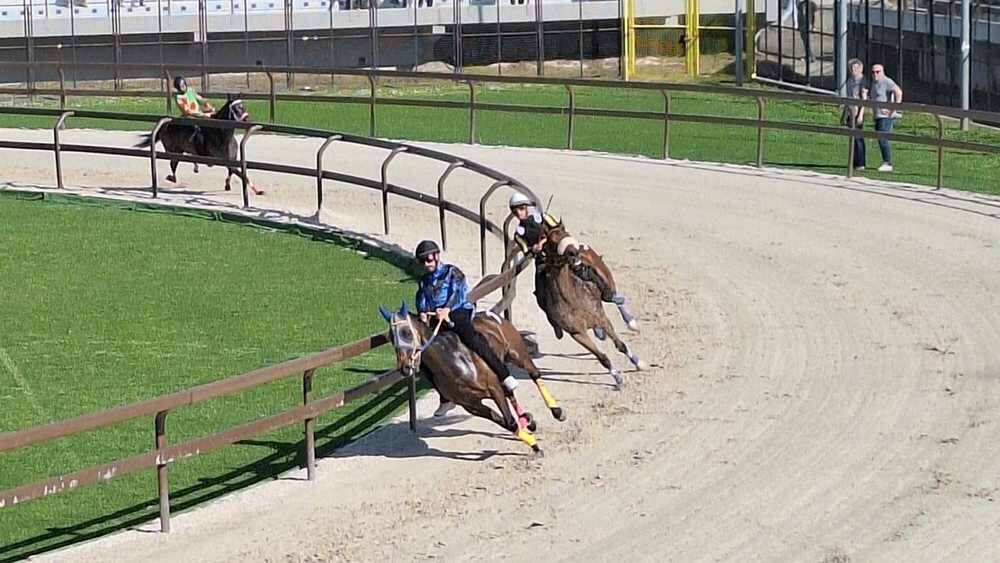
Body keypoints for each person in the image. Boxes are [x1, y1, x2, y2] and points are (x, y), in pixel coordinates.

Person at [413, 240, 517, 417]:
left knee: (472, 338)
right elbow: (422, 298)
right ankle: (445, 398)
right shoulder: (424, 281)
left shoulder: (452, 272)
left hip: (457, 311)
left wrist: (447, 309)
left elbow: (458, 292)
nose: (426, 264)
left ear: (436, 256)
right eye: (422, 261)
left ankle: (503, 374)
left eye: (428, 259)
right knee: (424, 357)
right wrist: (423, 313)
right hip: (436, 317)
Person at [506, 193, 625, 334]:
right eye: (516, 211)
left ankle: (608, 292)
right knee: (541, 293)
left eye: (521, 209)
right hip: (544, 260)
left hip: (559, 252)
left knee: (584, 268)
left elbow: (558, 230)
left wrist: (544, 240)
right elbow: (526, 250)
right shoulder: (518, 234)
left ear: (526, 208)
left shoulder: (543, 217)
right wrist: (534, 248)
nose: (519, 213)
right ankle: (555, 321)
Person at [870, 64, 903, 173]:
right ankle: (886, 162)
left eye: (878, 72)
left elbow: (898, 92)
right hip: (878, 115)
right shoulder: (874, 83)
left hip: (885, 116)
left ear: (883, 72)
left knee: (883, 138)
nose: (875, 74)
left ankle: (888, 163)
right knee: (880, 138)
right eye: (873, 72)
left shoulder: (886, 81)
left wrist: (893, 110)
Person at [173, 75, 215, 159]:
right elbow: (188, 111)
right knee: (197, 127)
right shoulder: (178, 97)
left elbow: (200, 99)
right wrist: (203, 114)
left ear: (185, 84)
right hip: (189, 116)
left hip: (199, 113)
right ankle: (197, 146)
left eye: (183, 86)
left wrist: (207, 105)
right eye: (180, 88)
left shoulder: (190, 91)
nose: (182, 89)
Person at [842, 58, 868, 171]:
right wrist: (844, 114)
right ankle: (853, 161)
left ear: (860, 68)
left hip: (858, 112)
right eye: (852, 68)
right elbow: (848, 98)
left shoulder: (863, 81)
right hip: (850, 111)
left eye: (856, 68)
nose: (853, 70)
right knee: (852, 137)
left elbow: (864, 99)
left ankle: (861, 163)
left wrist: (861, 114)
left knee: (858, 138)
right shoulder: (849, 81)